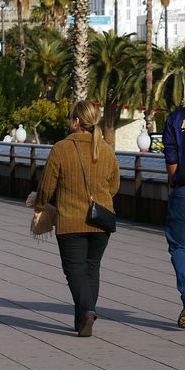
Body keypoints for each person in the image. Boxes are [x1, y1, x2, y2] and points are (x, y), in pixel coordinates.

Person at [34, 100, 120, 337]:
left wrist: (40, 206)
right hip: (101, 221)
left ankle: (87, 311)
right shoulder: (106, 149)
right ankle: (82, 320)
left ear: (77, 121)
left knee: (74, 270)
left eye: (71, 117)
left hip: (70, 220)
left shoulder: (61, 148)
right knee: (91, 269)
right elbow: (114, 185)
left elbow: (47, 185)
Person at [162, 103, 185, 329]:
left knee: (180, 246)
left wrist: (175, 186)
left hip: (183, 192)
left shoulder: (176, 117)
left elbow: (172, 161)